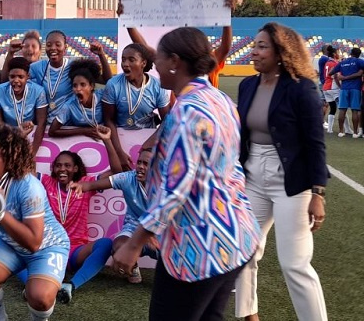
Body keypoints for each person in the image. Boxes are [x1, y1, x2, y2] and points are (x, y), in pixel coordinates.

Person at [113, 27, 261, 320]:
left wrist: (134, 242)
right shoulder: (220, 99)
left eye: (160, 57)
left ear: (175, 62)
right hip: (235, 235)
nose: (154, 64)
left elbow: (176, 191)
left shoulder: (188, 113)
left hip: (198, 247)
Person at [235, 22, 328, 321]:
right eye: (255, 44)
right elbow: (242, 137)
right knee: (245, 251)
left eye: (262, 46)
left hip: (292, 180)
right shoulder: (247, 85)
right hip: (253, 176)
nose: (255, 51)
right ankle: (249, 315)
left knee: (295, 263)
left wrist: (318, 193)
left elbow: (315, 144)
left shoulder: (302, 89)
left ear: (281, 52)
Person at [0, 125, 70, 321]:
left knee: (40, 298)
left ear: (10, 160)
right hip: (9, 243)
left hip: (47, 247)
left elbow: (33, 243)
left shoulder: (29, 187)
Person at [58, 145, 160, 303]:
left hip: (161, 234)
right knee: (118, 245)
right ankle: (132, 266)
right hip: (134, 229)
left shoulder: (168, 186)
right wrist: (80, 186)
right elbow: (93, 185)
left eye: (146, 164)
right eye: (139, 162)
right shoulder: (128, 177)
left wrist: (151, 233)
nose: (140, 166)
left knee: (175, 272)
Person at [121, 0, 233, 88]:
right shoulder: (220, 101)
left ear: (175, 61)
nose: (157, 66)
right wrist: (127, 21)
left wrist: (226, 19)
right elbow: (143, 47)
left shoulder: (186, 109)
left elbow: (225, 48)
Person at [102, 43, 170, 170]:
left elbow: (167, 119)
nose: (125, 64)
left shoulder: (157, 86)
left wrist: (150, 141)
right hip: (120, 138)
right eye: (123, 60)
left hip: (147, 138)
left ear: (143, 63)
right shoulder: (113, 85)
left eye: (131, 60)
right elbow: (109, 120)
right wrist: (119, 152)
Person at [29, 30, 111, 125]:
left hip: (69, 125)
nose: (53, 48)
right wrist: (11, 53)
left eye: (58, 44)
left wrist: (101, 55)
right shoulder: (36, 67)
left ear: (65, 48)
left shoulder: (75, 66)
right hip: (44, 125)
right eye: (49, 45)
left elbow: (107, 81)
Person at [0, 57, 48, 154]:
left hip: (30, 135)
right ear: (8, 76)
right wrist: (16, 133)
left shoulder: (38, 91)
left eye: (21, 77)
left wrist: (32, 153)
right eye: (12, 76)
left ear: (28, 76)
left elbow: (41, 123)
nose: (16, 80)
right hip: (7, 136)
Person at [48, 59, 105, 139]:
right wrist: (83, 131)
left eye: (83, 84)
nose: (78, 89)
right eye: (75, 85)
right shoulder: (70, 105)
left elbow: (109, 80)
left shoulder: (102, 96)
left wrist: (101, 55)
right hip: (81, 143)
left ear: (91, 86)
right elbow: (52, 131)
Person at [328, 47, 364, 138]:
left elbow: (330, 73)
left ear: (351, 53)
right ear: (359, 55)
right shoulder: (359, 61)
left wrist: (340, 76)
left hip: (344, 88)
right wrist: (360, 72)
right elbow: (360, 72)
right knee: (355, 110)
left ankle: (341, 132)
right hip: (355, 88)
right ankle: (355, 133)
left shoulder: (342, 62)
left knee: (342, 110)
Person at [322, 47, 341, 133]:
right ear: (334, 54)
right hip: (333, 88)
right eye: (338, 52)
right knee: (342, 107)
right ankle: (347, 129)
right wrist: (340, 86)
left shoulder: (327, 63)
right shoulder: (335, 63)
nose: (339, 54)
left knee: (333, 108)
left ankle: (329, 129)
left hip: (326, 87)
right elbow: (336, 77)